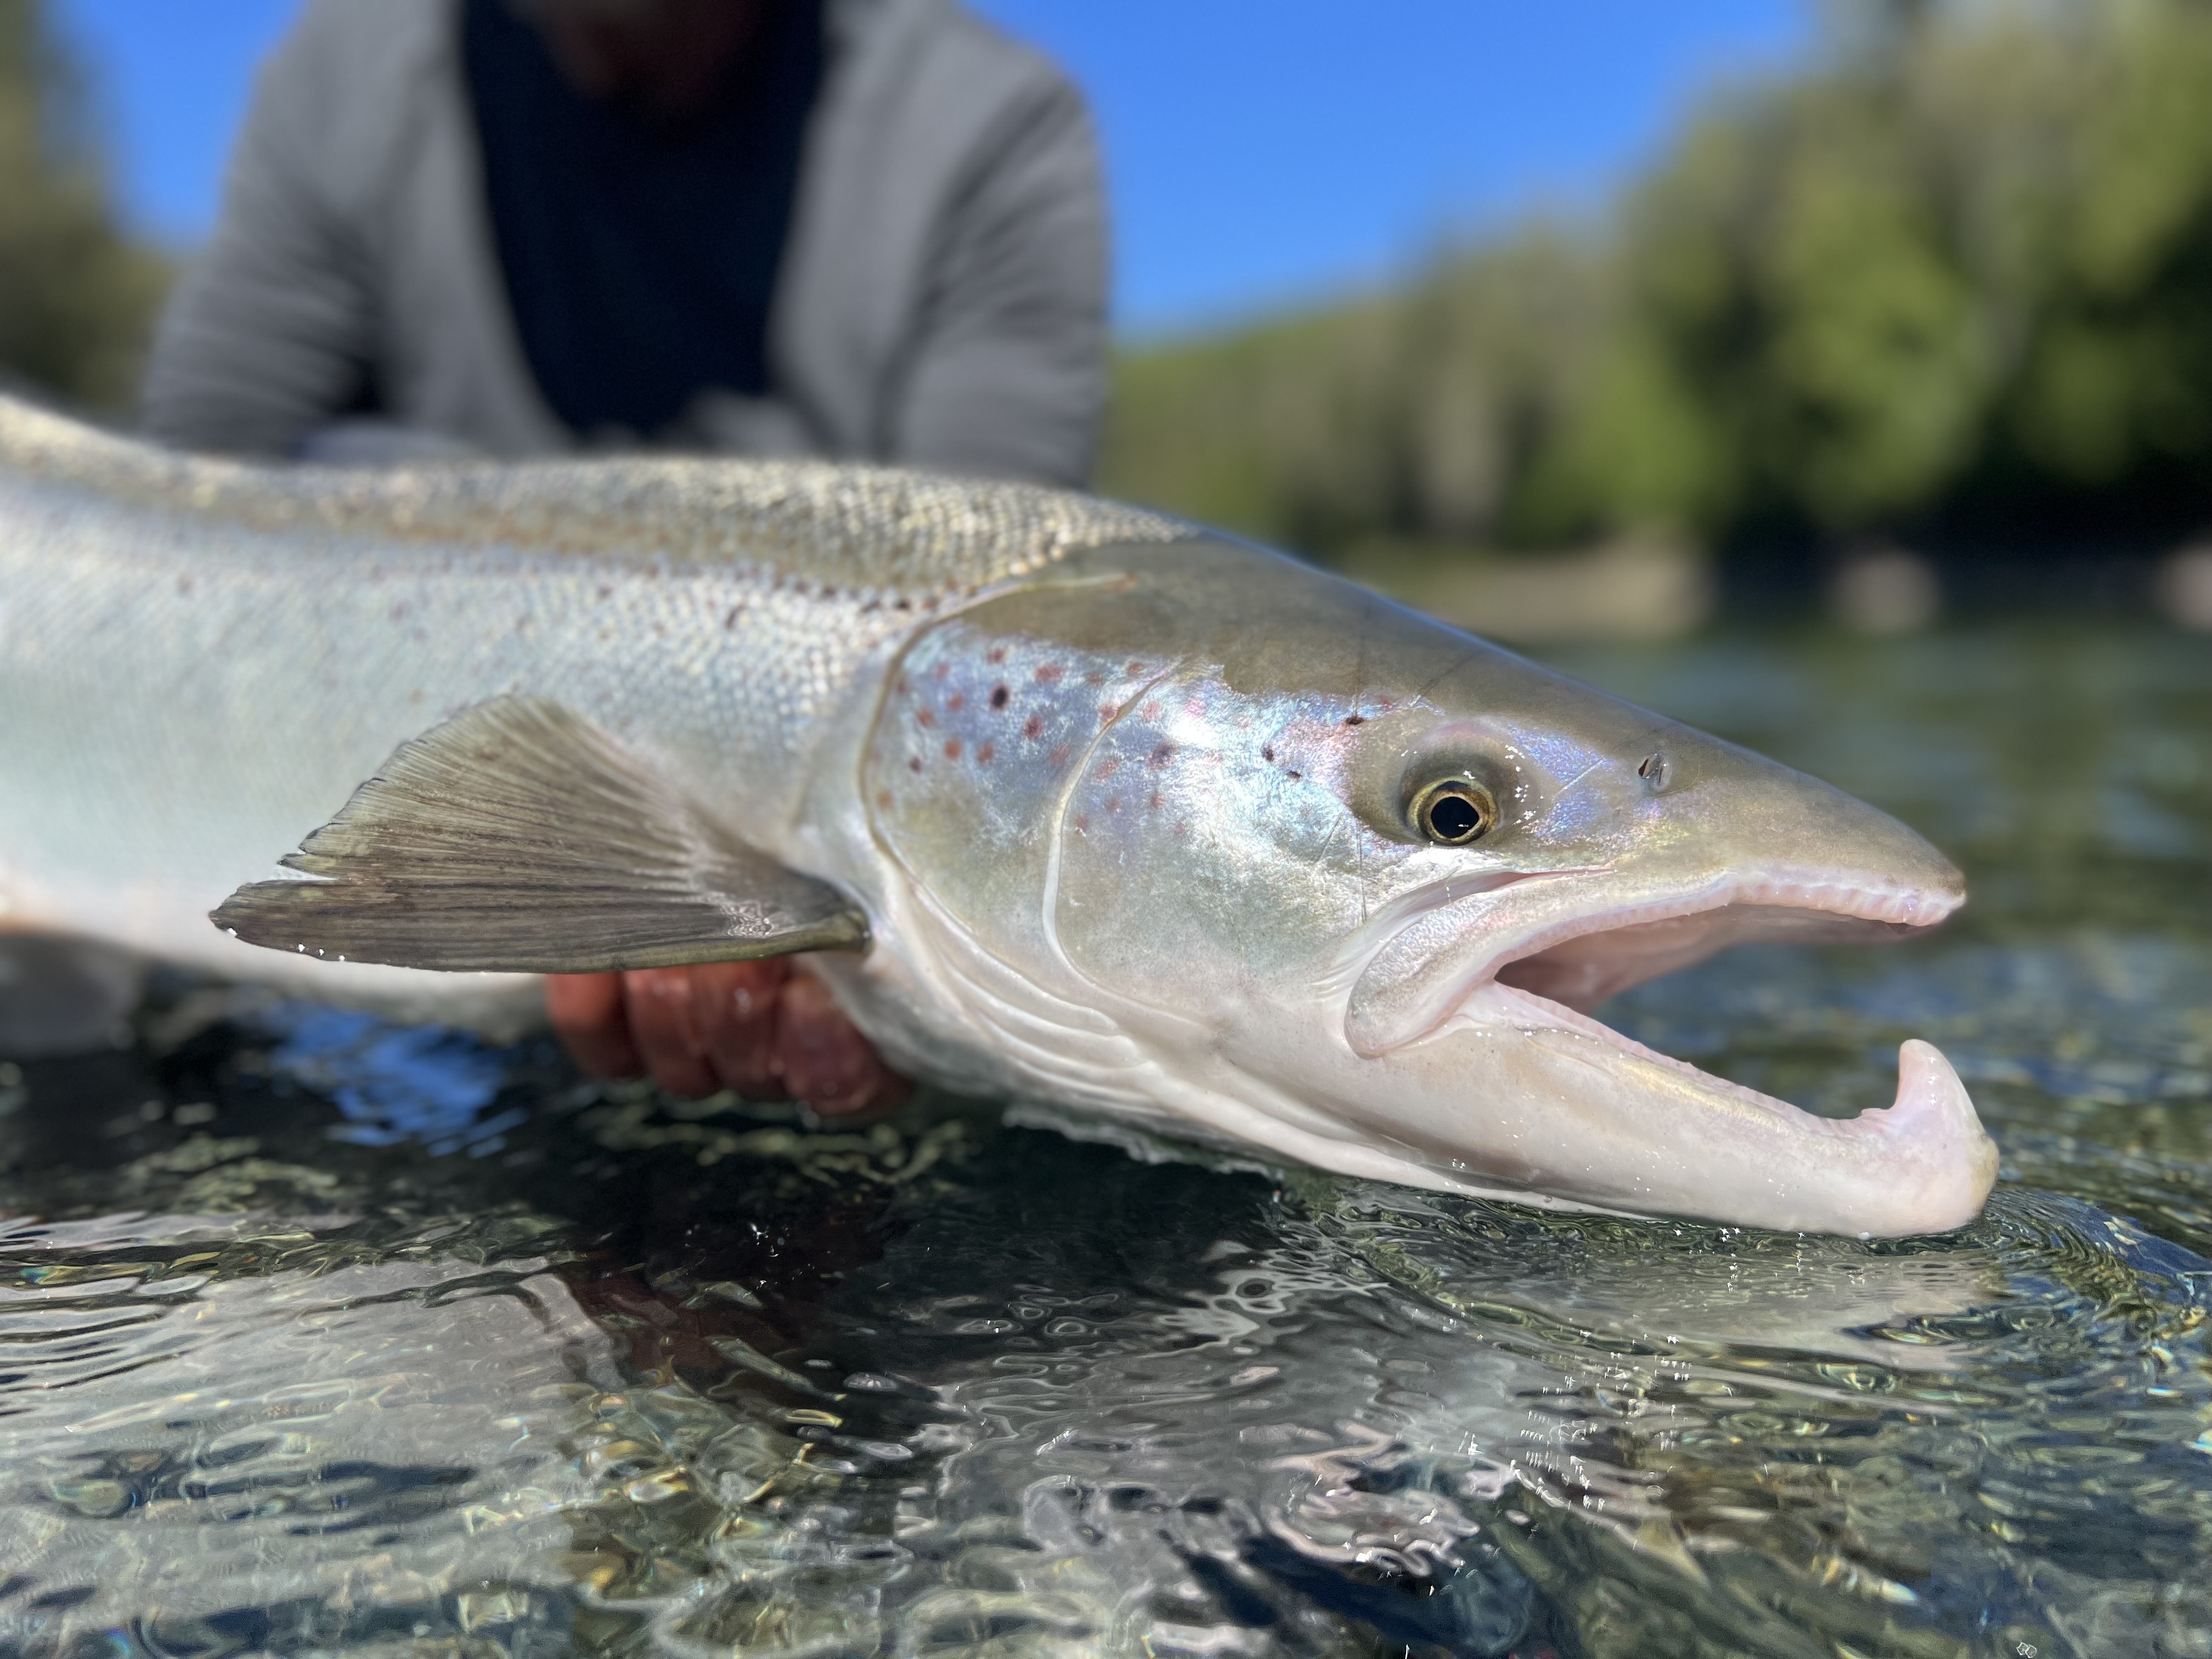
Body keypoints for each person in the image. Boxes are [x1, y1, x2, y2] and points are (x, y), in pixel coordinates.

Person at [142, 0, 1112, 1118]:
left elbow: (1001, 636)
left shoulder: (991, 129)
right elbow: (183, 516)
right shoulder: (347, 74)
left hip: (804, 920)